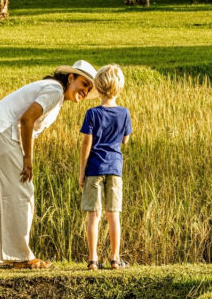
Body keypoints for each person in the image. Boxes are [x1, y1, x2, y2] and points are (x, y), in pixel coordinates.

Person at [0, 60, 97, 269]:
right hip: (2, 131)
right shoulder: (54, 90)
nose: (85, 91)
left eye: (89, 88)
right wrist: (28, 159)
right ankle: (21, 257)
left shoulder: (56, 94)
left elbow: (28, 123)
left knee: (3, 193)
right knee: (23, 192)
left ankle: (0, 258)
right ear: (71, 78)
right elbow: (27, 120)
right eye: (84, 84)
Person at [78, 64, 132, 270]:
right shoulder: (124, 113)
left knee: (94, 215)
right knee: (113, 215)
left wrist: (82, 171)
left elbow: (86, 144)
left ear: (97, 89)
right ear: (119, 89)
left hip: (94, 168)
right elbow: (125, 140)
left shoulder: (92, 114)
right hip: (115, 168)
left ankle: (93, 260)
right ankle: (115, 259)